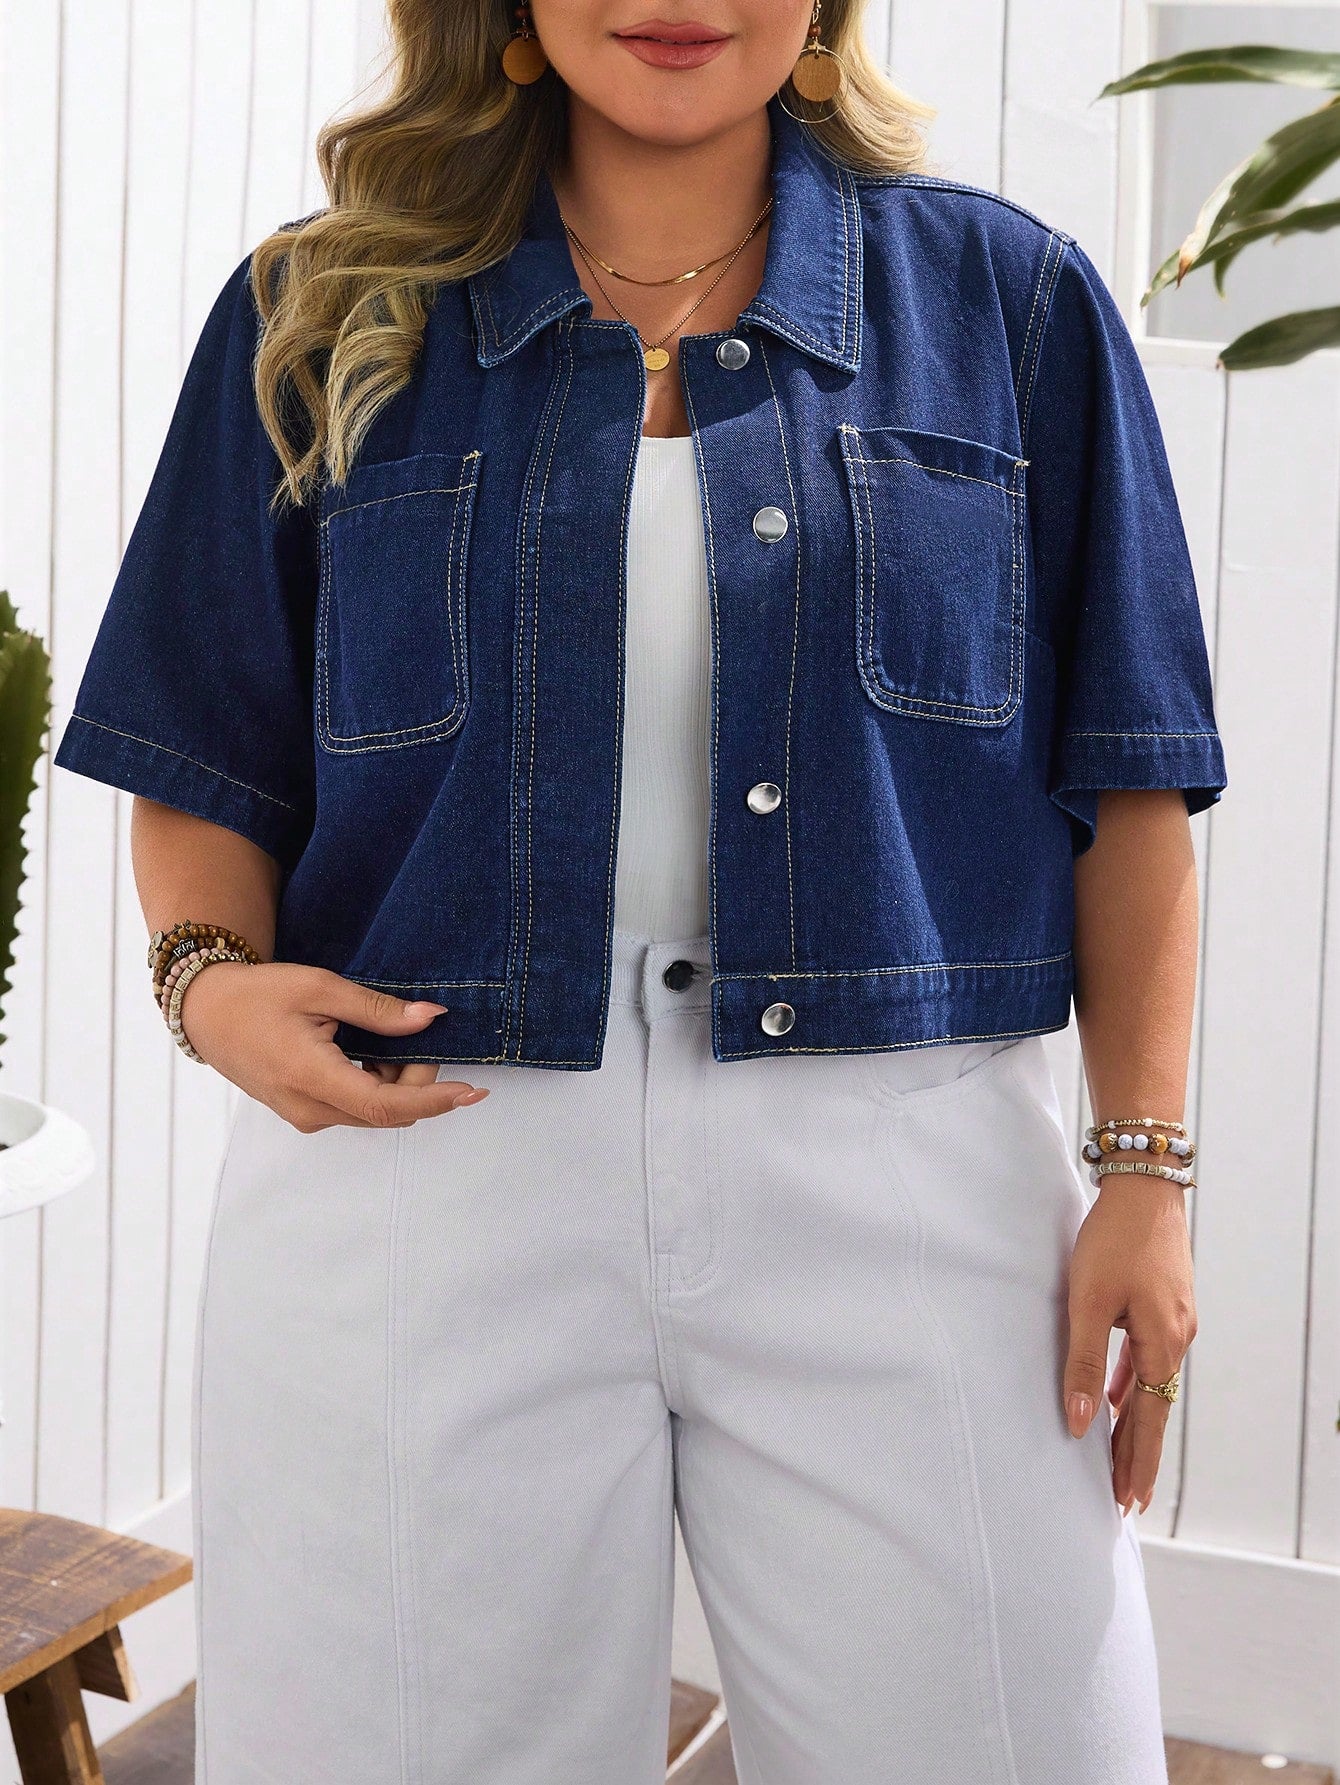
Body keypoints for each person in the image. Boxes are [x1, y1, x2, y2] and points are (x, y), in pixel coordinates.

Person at [52, 2, 1228, 1780]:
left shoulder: (1011, 307)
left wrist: (1144, 1175)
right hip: (419, 1175)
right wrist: (207, 985)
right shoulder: (319, 310)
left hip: (905, 1176)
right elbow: (204, 755)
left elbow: (1131, 783)